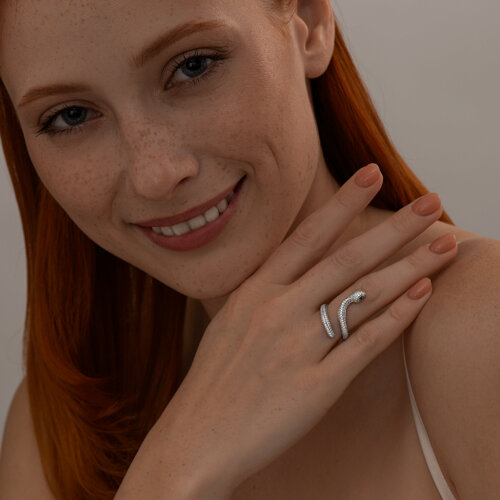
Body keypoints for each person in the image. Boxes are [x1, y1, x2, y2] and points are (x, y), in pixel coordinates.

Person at [0, 0, 498, 498]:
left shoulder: (482, 332)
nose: (155, 175)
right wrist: (174, 470)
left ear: (310, 23)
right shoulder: (58, 427)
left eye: (193, 66)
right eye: (70, 116)